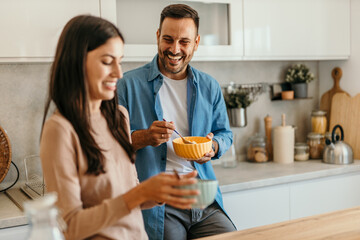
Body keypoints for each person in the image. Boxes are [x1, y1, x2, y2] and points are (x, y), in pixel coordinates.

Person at [40, 15, 199, 240]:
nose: (118, 73)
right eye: (107, 62)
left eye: (120, 61)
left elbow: (128, 197)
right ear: (76, 62)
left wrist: (162, 191)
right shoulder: (60, 130)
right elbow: (70, 227)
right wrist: (139, 193)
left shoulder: (119, 118)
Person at [117, 4, 236, 240]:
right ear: (158, 36)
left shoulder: (209, 86)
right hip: (160, 202)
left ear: (196, 42)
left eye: (184, 41)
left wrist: (212, 147)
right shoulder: (127, 85)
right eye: (168, 39)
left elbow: (225, 133)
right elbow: (110, 145)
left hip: (203, 196)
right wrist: (143, 137)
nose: (175, 49)